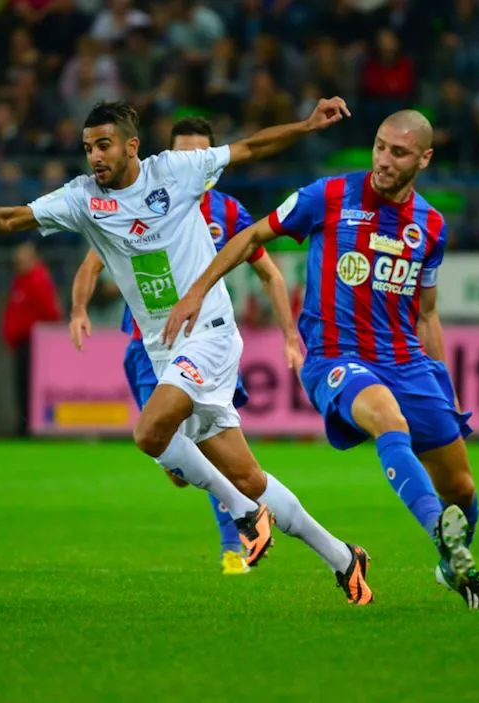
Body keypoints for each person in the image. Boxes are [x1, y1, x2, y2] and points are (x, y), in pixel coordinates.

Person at [0, 99, 375, 605]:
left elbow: (251, 147)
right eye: (87, 148)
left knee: (149, 432)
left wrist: (306, 124)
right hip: (163, 345)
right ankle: (343, 558)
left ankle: (239, 510)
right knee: (248, 474)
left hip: (208, 331)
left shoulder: (176, 172)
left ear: (131, 146)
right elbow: (14, 220)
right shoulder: (83, 198)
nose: (94, 157)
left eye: (103, 145)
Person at [162, 110, 479, 610]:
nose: (385, 160)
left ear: (424, 159)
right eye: (380, 146)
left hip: (409, 362)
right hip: (336, 358)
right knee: (385, 416)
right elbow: (253, 237)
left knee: (462, 487)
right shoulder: (329, 195)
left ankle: (451, 559)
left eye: (399, 153)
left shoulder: (430, 225)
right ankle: (436, 530)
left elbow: (427, 313)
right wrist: (197, 290)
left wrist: (443, 384)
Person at [70, 117, 301, 576]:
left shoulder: (229, 212)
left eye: (202, 153)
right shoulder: (136, 202)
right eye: (184, 152)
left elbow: (270, 273)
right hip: (146, 347)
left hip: (205, 340)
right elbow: (91, 265)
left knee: (218, 448)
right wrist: (79, 310)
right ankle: (250, 517)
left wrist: (290, 334)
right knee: (176, 472)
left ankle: (234, 544)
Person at [2, 241, 63, 437]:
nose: (18, 260)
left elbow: (51, 312)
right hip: (22, 342)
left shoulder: (37, 280)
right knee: (22, 385)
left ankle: (28, 427)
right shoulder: (21, 280)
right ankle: (24, 426)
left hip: (33, 343)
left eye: (23, 256)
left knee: (28, 386)